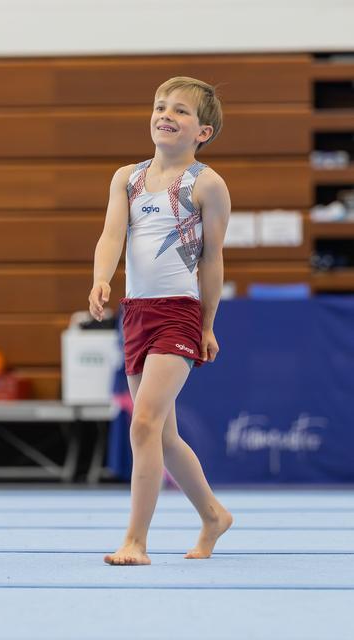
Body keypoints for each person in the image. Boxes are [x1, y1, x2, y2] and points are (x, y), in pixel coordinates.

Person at [89, 76, 233, 565]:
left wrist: (207, 323)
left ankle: (135, 540)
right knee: (162, 436)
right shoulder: (126, 177)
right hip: (135, 313)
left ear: (203, 132)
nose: (165, 115)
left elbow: (212, 260)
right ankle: (213, 514)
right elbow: (111, 235)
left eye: (180, 111)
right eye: (160, 106)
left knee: (144, 423)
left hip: (178, 312)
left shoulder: (206, 184)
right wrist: (101, 278)